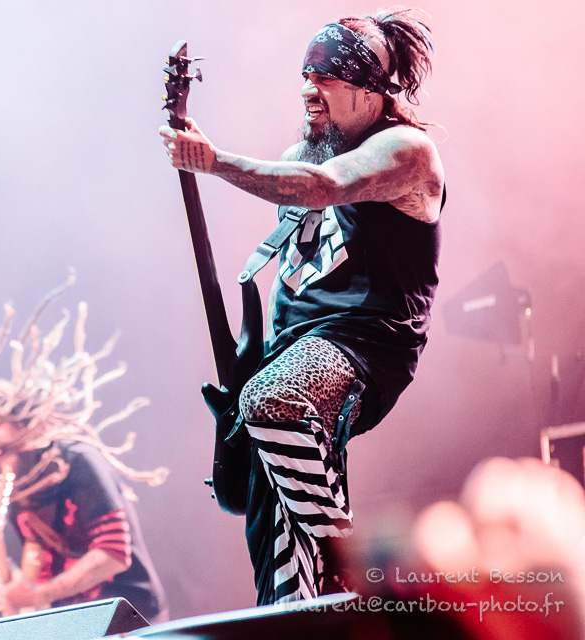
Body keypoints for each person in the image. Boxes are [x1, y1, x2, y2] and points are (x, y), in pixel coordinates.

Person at [159, 8, 445, 605]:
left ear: (370, 89)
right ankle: (305, 610)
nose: (308, 91)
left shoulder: (406, 150)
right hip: (295, 349)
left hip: (361, 344)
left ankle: (349, 563)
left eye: (326, 79)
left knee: (274, 400)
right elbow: (295, 270)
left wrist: (213, 162)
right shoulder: (304, 151)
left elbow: (324, 187)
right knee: (277, 558)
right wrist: (251, 357)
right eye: (306, 77)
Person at [0, 273, 170, 623]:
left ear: (19, 419)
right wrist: (15, 590)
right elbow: (39, 562)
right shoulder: (16, 486)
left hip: (127, 615)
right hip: (74, 620)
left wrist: (39, 594)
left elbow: (114, 554)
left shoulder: (77, 460)